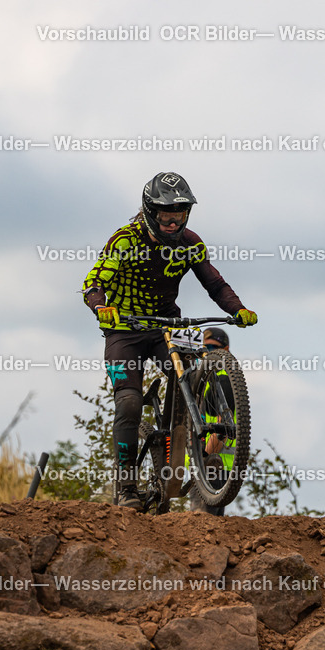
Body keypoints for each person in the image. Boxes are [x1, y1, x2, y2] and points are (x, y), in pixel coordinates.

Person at [82, 171, 257, 510]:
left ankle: (200, 447)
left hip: (164, 327)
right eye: (166, 215)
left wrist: (238, 309)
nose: (173, 222)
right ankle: (127, 486)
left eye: (179, 215)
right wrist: (101, 307)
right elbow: (92, 282)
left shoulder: (190, 243)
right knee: (130, 403)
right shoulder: (125, 241)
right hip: (124, 330)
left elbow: (215, 285)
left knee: (193, 373)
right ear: (150, 211)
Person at [188, 327, 234, 517]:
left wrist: (205, 456)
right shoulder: (205, 380)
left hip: (213, 463)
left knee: (201, 520)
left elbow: (225, 425)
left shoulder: (224, 380)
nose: (207, 351)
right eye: (204, 347)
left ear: (226, 349)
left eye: (213, 347)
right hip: (211, 465)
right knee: (213, 525)